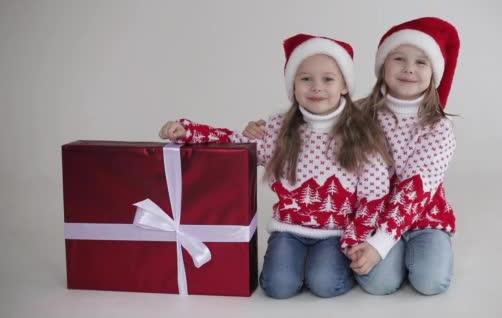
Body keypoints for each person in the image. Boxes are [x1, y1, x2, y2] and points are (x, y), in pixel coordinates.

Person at [159, 34, 392, 299]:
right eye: (306, 79)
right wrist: (189, 132)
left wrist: (355, 237)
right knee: (277, 287)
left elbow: (374, 194)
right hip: (289, 230)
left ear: (344, 87)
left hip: (335, 233)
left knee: (325, 285)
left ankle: (322, 267)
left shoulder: (360, 134)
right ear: (293, 87)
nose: (316, 87)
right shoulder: (278, 129)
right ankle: (297, 264)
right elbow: (235, 141)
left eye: (327, 79)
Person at [243, 17, 461, 296]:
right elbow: (315, 127)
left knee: (430, 282)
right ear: (382, 66)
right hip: (371, 217)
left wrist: (380, 245)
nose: (409, 68)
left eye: (421, 62)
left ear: (434, 73)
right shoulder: (357, 115)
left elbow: (414, 193)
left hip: (422, 217)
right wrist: (260, 132)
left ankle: (428, 250)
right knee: (378, 284)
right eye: (399, 59)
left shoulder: (438, 129)